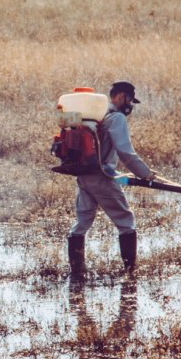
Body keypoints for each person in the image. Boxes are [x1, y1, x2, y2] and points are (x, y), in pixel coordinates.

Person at [68, 81, 156, 274]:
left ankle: (76, 271)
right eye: (130, 100)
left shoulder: (96, 115)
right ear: (120, 96)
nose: (130, 105)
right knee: (126, 221)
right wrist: (146, 173)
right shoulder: (116, 118)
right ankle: (130, 271)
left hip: (84, 175)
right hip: (102, 176)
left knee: (82, 222)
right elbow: (125, 152)